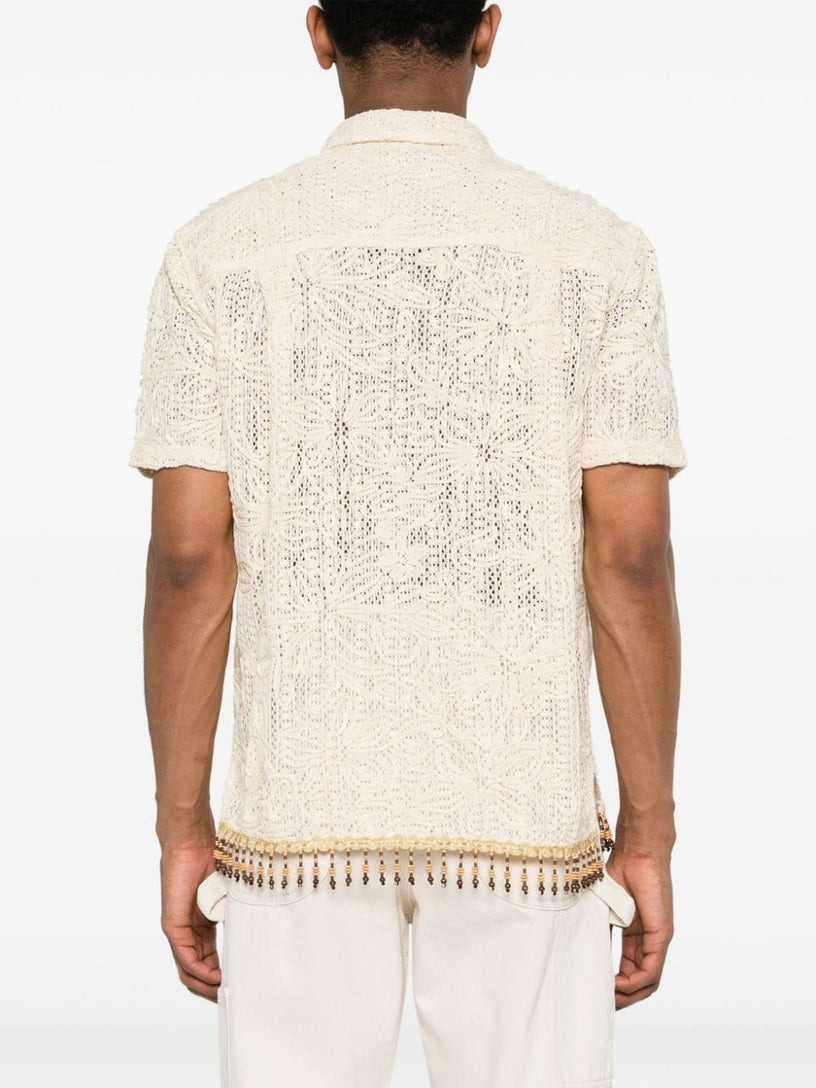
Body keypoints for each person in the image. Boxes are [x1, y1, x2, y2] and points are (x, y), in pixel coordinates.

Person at [128, 3, 687, 1085]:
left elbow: (189, 560)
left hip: (298, 825)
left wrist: (182, 830)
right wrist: (649, 833)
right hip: (524, 828)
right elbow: (630, 559)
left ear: (319, 33)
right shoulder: (597, 255)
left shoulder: (219, 255)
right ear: (487, 32)